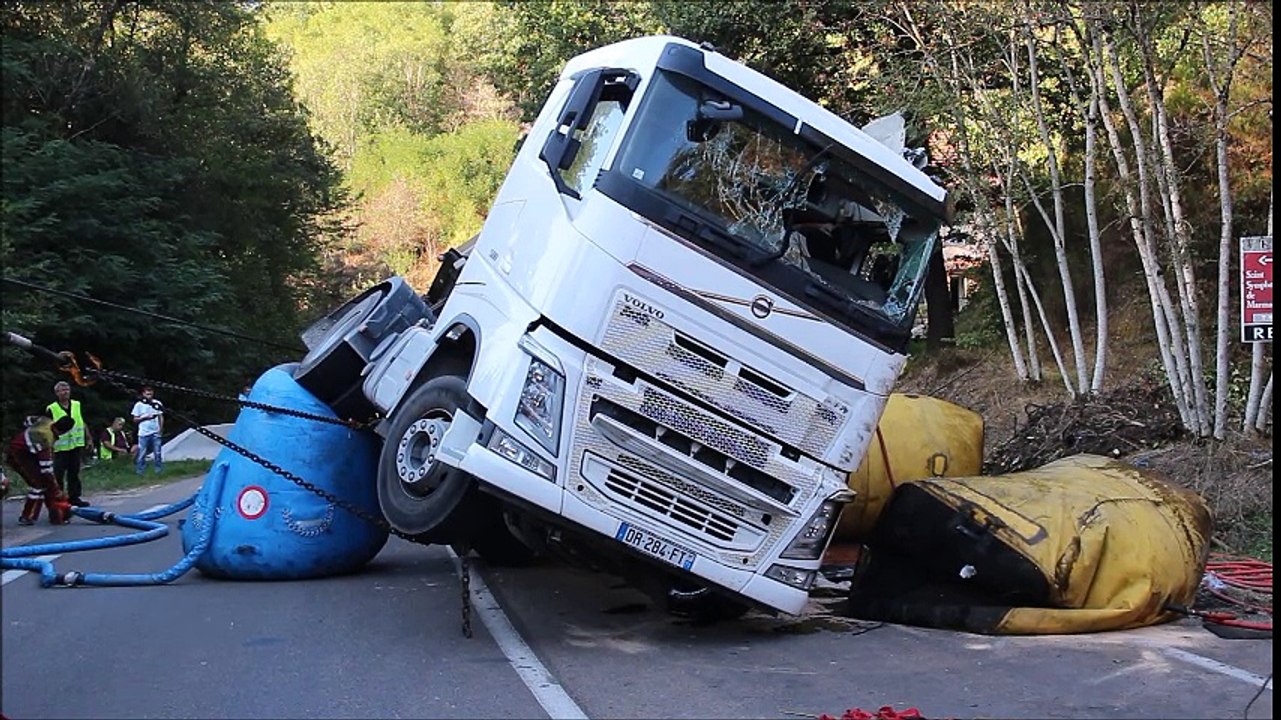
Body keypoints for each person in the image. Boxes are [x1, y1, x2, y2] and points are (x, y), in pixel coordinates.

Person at [5, 415, 75, 525]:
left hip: (25, 451)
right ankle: (27, 516)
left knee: (45, 483)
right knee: (38, 484)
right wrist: (57, 489)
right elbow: (46, 469)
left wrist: (27, 435)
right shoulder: (46, 439)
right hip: (19, 454)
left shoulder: (45, 420)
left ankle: (56, 515)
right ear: (64, 432)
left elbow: (27, 419)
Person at [47, 380, 89, 507]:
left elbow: (82, 421)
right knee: (58, 474)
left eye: (67, 390)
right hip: (60, 447)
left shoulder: (77, 404)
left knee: (74, 473)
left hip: (75, 445)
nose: (65, 393)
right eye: (62, 390)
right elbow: (47, 427)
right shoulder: (51, 408)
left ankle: (74, 497)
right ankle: (59, 499)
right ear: (57, 393)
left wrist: (89, 437)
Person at [131, 385, 165, 475]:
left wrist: (160, 429)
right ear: (143, 394)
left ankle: (159, 471)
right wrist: (144, 417)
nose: (149, 394)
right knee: (142, 453)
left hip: (155, 432)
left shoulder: (157, 403)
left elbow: (160, 417)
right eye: (147, 393)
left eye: (150, 392)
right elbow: (135, 419)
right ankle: (140, 471)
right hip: (143, 433)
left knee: (157, 452)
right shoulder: (139, 405)